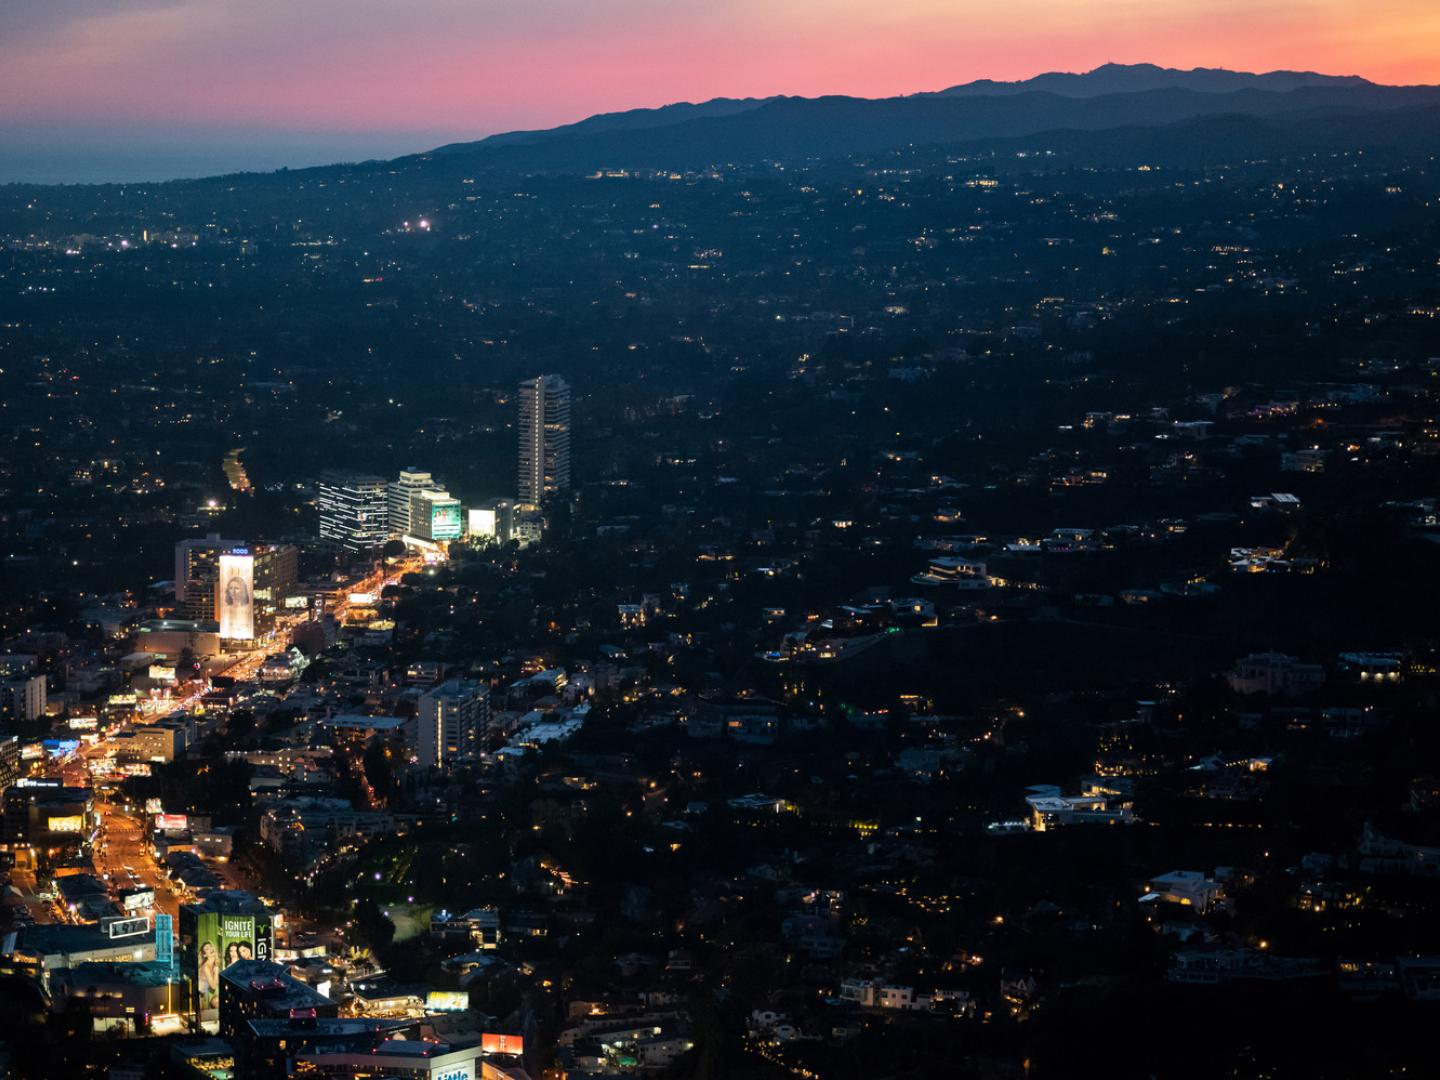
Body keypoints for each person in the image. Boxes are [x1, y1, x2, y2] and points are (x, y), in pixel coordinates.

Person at [197, 941, 220, 1011]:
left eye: (210, 946)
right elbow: (213, 986)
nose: (210, 949)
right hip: (198, 998)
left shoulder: (214, 965)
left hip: (203, 996)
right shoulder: (206, 966)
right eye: (207, 949)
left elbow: (211, 988)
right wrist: (216, 972)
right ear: (205, 955)